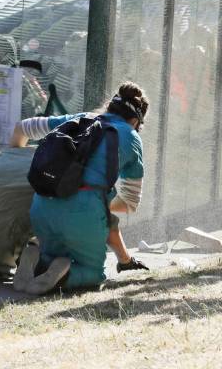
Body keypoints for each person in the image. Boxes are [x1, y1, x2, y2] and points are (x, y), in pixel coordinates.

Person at [10, 82, 148, 295]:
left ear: (109, 107)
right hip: (85, 212)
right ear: (135, 120)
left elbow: (22, 128)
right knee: (93, 273)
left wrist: (13, 158)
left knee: (54, 255)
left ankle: (38, 262)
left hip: (42, 205)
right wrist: (101, 201)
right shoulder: (130, 136)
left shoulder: (76, 119)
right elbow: (129, 203)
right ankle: (65, 277)